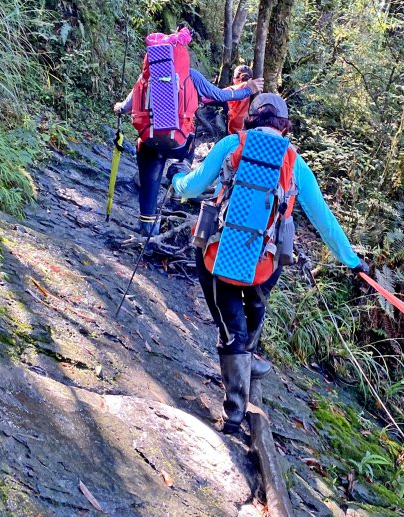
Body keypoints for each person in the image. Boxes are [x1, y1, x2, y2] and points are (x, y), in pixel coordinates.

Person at [171, 93, 369, 434]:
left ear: (252, 118)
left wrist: (177, 178)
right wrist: (352, 261)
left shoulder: (231, 144)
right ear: (284, 125)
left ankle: (234, 411)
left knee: (230, 323)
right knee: (254, 305)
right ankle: (249, 359)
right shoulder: (296, 164)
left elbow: (193, 187)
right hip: (266, 263)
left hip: (220, 254)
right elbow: (324, 220)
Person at [113, 32, 262, 236]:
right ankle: (176, 194)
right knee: (189, 144)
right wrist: (247, 90)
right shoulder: (190, 75)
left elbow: (126, 106)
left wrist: (118, 108)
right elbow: (219, 95)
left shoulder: (147, 76)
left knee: (150, 177)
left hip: (149, 139)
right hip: (178, 144)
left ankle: (146, 227)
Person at [225, 65, 254, 134]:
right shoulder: (256, 89)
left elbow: (217, 95)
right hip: (250, 128)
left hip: (234, 127)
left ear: (234, 78)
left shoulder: (231, 89)